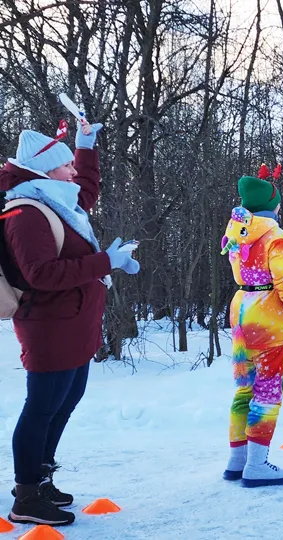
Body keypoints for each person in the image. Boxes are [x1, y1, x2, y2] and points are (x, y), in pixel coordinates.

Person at [1, 121, 140, 526]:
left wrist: (85, 145)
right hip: (49, 324)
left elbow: (87, 191)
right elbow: (40, 274)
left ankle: (40, 478)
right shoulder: (27, 212)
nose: (72, 173)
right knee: (42, 407)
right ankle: (26, 496)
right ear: (45, 171)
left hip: (74, 321)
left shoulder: (55, 199)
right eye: (65, 166)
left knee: (65, 400)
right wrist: (105, 262)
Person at [221, 164, 283, 488]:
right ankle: (256, 465)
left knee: (245, 387)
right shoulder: (275, 236)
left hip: (241, 310)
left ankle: (237, 460)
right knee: (268, 390)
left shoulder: (236, 232)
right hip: (268, 316)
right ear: (272, 205)